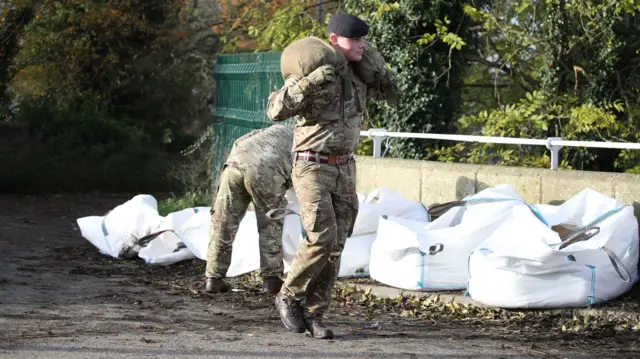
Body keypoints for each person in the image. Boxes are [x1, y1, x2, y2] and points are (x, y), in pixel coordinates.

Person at [266, 13, 401, 339]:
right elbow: (274, 110)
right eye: (355, 40)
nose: (362, 44)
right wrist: (311, 83)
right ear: (334, 40)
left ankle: (315, 314)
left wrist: (382, 74)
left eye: (363, 39)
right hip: (311, 164)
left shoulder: (359, 74)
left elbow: (395, 97)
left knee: (336, 246)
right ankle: (288, 293)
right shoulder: (313, 69)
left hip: (345, 166)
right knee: (321, 237)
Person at [205, 124, 294, 295]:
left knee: (223, 221)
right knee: (270, 223)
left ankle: (213, 279)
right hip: (266, 169)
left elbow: (240, 141)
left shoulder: (275, 129)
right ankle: (271, 280)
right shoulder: (308, 141)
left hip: (234, 162)